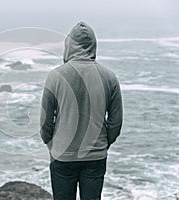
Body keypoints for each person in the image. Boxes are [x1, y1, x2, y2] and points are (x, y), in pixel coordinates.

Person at [40, 22, 123, 200]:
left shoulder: (55, 76)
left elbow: (45, 122)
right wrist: (102, 144)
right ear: (93, 45)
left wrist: (52, 145)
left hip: (63, 155)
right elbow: (116, 122)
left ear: (68, 46)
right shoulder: (109, 77)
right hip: (95, 155)